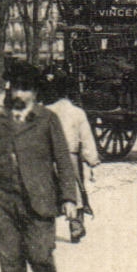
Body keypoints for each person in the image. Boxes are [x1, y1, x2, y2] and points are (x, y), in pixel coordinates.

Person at [0, 62, 81, 272]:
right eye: (15, 87)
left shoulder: (47, 120)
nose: (19, 94)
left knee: (39, 254)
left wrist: (69, 198)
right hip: (3, 201)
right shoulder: (0, 121)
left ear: (35, 93)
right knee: (10, 258)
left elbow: (63, 159)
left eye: (25, 89)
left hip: (39, 199)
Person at [43, 69, 98, 239]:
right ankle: (75, 223)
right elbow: (86, 138)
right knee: (74, 188)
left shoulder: (44, 112)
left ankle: (46, 226)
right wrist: (91, 158)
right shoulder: (77, 113)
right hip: (70, 156)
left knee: (49, 189)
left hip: (48, 157)